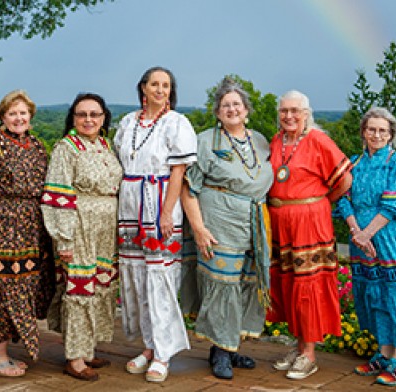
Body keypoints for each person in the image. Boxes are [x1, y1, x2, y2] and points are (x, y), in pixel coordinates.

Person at [180, 78, 273, 380]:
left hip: (253, 221)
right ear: (218, 113)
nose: (232, 109)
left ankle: (231, 346)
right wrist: (199, 228)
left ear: (247, 110)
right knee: (223, 283)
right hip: (219, 219)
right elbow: (188, 188)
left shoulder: (260, 140)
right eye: (225, 105)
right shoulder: (206, 140)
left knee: (246, 283)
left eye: (237, 104)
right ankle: (219, 351)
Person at [114, 66, 197, 382]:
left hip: (160, 204)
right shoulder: (127, 122)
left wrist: (166, 213)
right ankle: (149, 346)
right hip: (130, 207)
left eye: (166, 85)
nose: (160, 89)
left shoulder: (177, 123)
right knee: (138, 280)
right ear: (143, 88)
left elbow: (178, 172)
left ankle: (163, 353)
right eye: (155, 84)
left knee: (160, 279)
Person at [0, 90, 55, 377]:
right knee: (4, 291)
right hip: (1, 227)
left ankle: (5, 350)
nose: (18, 118)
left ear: (30, 116)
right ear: (3, 116)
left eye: (23, 113)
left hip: (32, 230)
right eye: (12, 113)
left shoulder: (38, 147)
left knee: (26, 291)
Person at [267, 90, 352, 380]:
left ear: (306, 113)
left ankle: (309, 354)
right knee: (289, 283)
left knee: (308, 286)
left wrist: (320, 202)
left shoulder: (318, 140)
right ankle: (299, 344)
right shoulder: (277, 140)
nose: (288, 116)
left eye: (295, 111)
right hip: (281, 224)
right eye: (283, 111)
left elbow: (345, 179)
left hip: (309, 224)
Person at [41, 93, 123, 381]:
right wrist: (64, 238)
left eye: (95, 114)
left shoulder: (104, 145)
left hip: (106, 226)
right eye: (82, 114)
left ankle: (87, 347)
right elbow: (57, 195)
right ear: (73, 118)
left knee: (100, 286)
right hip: (79, 224)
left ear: (103, 118)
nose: (89, 119)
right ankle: (74, 357)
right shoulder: (66, 148)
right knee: (78, 290)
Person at [336, 107, 396, 386]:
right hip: (361, 241)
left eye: (382, 130)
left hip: (391, 240)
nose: (376, 134)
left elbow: (394, 204)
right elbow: (343, 199)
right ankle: (382, 353)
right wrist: (357, 232)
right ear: (363, 132)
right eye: (371, 129)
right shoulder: (354, 163)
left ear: (391, 135)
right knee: (374, 295)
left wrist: (366, 234)